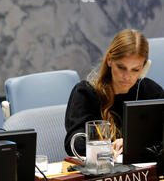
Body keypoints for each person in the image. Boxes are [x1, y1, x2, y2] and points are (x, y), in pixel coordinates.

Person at [65, 29, 164, 159]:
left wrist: (132, 143)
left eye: (135, 70)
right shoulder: (86, 93)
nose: (127, 76)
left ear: (144, 68)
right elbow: (73, 143)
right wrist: (105, 148)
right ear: (110, 60)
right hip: (103, 172)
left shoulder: (151, 92)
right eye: (121, 67)